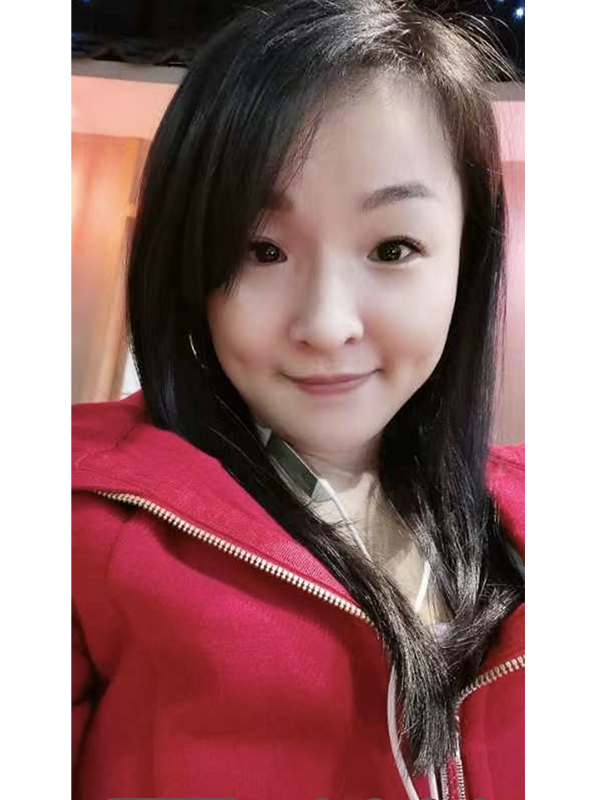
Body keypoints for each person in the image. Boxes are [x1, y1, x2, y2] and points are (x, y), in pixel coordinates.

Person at [71, 1, 525, 798]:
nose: (325, 323)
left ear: (468, 258)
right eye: (262, 250)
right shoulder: (76, 517)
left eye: (393, 248)